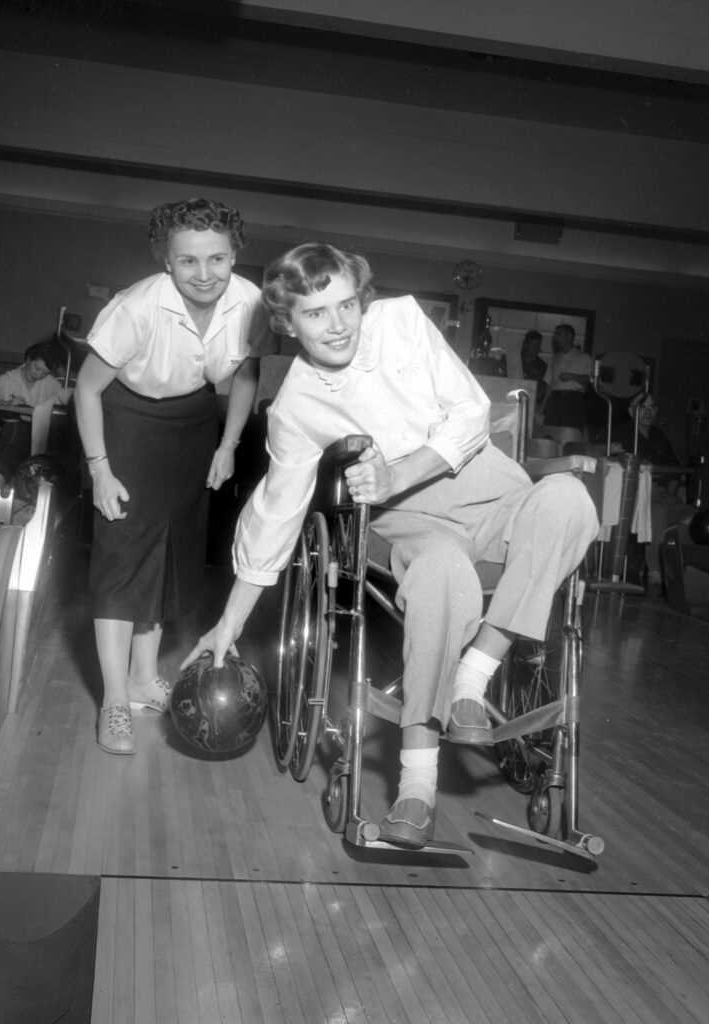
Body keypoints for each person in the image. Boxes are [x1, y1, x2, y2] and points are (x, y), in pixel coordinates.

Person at [182, 243, 599, 849]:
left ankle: (472, 677)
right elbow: (275, 515)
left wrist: (397, 473)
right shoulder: (297, 404)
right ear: (286, 321)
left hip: (493, 492)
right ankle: (417, 786)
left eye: (347, 304)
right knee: (442, 574)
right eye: (316, 312)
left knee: (570, 499)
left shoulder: (401, 320)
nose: (338, 323)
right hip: (413, 525)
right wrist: (229, 623)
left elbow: (470, 414)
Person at [74, 196, 275, 755]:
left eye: (216, 258)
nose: (204, 273)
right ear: (167, 260)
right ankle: (114, 700)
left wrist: (228, 443)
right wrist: (100, 469)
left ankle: (143, 678)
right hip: (126, 419)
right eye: (188, 261)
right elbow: (87, 388)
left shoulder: (252, 304)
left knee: (167, 557)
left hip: (191, 422)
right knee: (122, 560)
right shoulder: (135, 308)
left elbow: (246, 373)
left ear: (235, 255)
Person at [0, 340, 70, 513]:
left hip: (35, 438)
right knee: (0, 470)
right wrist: (3, 406)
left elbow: (67, 407)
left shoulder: (51, 384)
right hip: (7, 434)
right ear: (27, 359)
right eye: (37, 368)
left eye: (45, 372)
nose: (39, 375)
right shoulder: (6, 380)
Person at [611, 393, 693, 584]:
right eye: (643, 407)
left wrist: (670, 494)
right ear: (632, 410)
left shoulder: (659, 436)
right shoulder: (620, 433)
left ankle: (682, 568)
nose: (648, 412)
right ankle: (654, 570)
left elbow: (674, 469)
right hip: (632, 494)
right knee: (657, 513)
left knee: (692, 515)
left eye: (652, 407)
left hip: (659, 493)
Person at [541, 323, 592, 435]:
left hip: (573, 399)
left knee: (571, 431)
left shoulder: (583, 357)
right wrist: (543, 407)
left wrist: (571, 376)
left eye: (559, 334)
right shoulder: (555, 358)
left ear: (569, 336)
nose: (555, 337)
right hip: (555, 398)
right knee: (551, 431)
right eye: (555, 334)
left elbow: (589, 379)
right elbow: (549, 383)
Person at [519, 329, 548, 406]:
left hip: (533, 404)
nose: (535, 347)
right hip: (514, 400)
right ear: (525, 345)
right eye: (532, 344)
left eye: (537, 344)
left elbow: (544, 389)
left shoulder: (542, 366)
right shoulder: (515, 361)